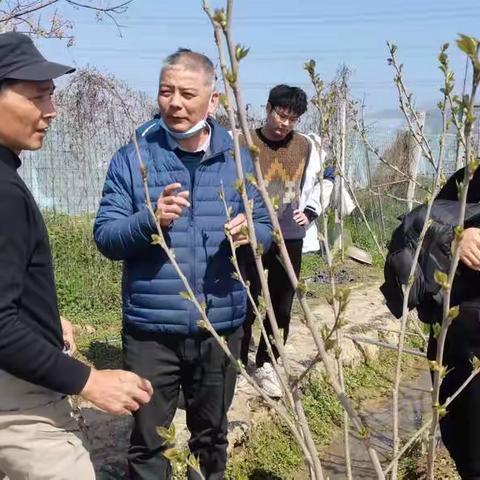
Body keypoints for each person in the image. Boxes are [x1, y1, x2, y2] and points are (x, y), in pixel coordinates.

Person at [93, 48, 272, 480]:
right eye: (166, 92)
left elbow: (266, 224)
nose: (174, 103)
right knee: (149, 441)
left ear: (212, 101)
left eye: (187, 94)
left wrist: (255, 233)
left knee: (211, 436)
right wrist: (148, 220)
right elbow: (106, 236)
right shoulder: (134, 155)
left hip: (221, 324)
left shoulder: (238, 156)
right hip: (152, 332)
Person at [0, 32, 153, 480]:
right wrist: (89, 381)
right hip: (17, 396)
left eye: (51, 96)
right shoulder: (3, 193)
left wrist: (45, 318)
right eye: (36, 97)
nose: (51, 111)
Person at [240, 84, 334, 398]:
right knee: (244, 299)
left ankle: (267, 362)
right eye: (281, 115)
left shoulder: (305, 146)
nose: (285, 123)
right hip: (250, 233)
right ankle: (238, 362)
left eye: (292, 119)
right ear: (268, 109)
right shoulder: (243, 141)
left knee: (281, 303)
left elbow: (325, 179)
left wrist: (310, 212)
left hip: (288, 235)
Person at [427, 167, 480, 480]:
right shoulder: (467, 180)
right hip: (461, 342)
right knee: (467, 446)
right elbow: (419, 229)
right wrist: (455, 236)